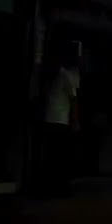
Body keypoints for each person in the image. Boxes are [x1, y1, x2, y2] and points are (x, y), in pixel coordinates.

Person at [43, 45, 81, 195]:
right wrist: (76, 121)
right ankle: (59, 187)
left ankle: (53, 186)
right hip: (60, 119)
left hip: (52, 118)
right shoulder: (64, 75)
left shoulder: (54, 76)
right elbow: (73, 99)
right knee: (59, 155)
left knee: (53, 155)